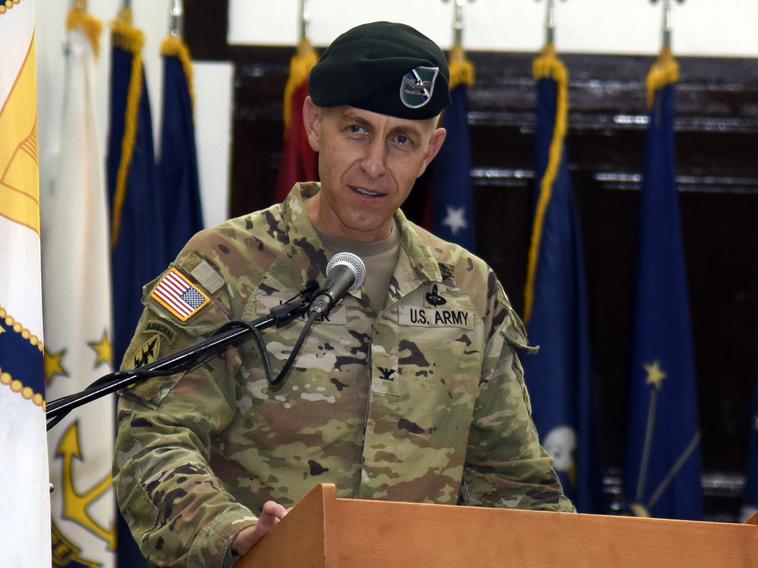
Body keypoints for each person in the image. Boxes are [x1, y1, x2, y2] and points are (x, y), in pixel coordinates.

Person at [113, 21, 575, 567]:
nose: (376, 164)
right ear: (313, 123)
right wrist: (230, 532)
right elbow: (152, 435)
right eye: (357, 129)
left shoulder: (467, 288)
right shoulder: (223, 266)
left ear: (432, 151)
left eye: (403, 139)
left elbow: (514, 482)